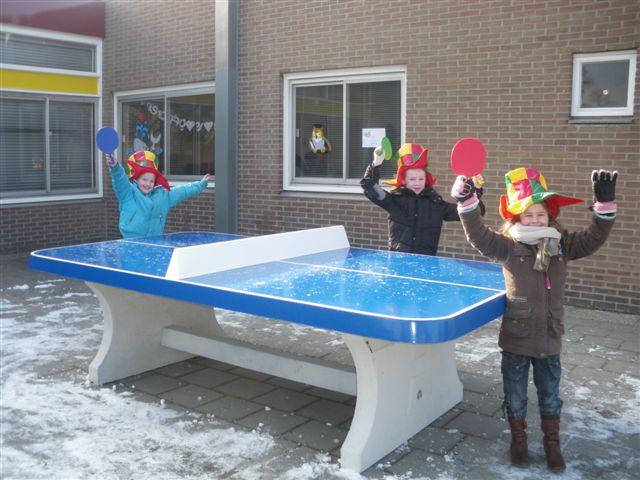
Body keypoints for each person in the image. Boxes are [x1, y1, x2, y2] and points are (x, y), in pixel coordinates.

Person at [451, 167, 617, 472]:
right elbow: (477, 235)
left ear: (550, 217)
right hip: (517, 337)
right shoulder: (508, 246)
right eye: (528, 215)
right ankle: (519, 442)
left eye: (540, 215)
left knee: (550, 397)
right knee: (515, 396)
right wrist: (467, 203)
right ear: (517, 219)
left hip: (550, 338)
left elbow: (594, 238)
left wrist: (604, 208)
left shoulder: (562, 245)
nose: (535, 220)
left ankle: (552, 445)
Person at [361, 142, 483, 255]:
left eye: (421, 179)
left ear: (426, 180)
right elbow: (369, 187)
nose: (417, 183)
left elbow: (471, 211)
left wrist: (475, 190)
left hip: (427, 263)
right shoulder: (394, 200)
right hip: (398, 261)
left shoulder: (436, 204)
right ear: (403, 180)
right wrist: (376, 164)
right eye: (412, 179)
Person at [105, 150, 210, 238]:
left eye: (151, 181)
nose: (148, 184)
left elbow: (183, 191)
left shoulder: (163, 196)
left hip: (155, 242)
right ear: (137, 179)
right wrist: (115, 167)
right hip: (130, 242)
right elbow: (120, 180)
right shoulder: (128, 193)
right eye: (144, 180)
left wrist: (200, 185)